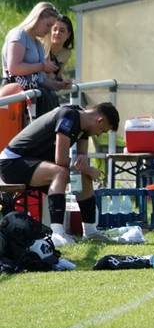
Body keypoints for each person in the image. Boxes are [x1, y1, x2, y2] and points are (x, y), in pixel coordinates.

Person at [0, 102, 119, 241]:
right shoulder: (68, 116)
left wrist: (85, 165)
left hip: (35, 163)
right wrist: (89, 169)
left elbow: (82, 159)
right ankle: (57, 234)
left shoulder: (84, 125)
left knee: (83, 175)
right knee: (60, 172)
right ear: (100, 120)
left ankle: (91, 231)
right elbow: (61, 160)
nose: (99, 135)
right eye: (102, 131)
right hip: (11, 163)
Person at [2, 2, 68, 114]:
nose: (49, 31)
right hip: (14, 96)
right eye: (48, 25)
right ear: (38, 17)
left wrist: (60, 85)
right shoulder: (19, 35)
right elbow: (14, 68)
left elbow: (40, 80)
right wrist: (43, 66)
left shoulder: (38, 44)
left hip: (32, 96)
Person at [45, 14, 75, 85]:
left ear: (68, 35)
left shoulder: (66, 53)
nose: (57, 33)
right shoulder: (41, 46)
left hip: (52, 86)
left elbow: (58, 76)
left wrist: (64, 82)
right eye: (54, 29)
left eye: (62, 31)